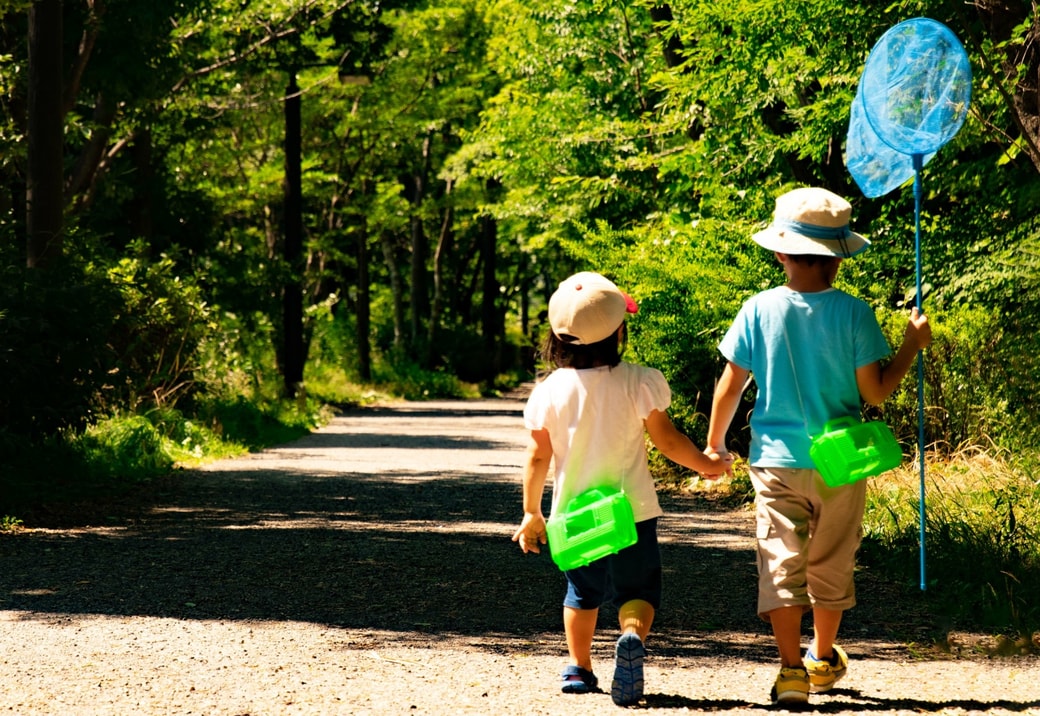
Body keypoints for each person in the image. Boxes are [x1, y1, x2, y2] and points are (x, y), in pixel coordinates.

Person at [706, 187, 932, 705]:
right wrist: (910, 347)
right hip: (841, 463)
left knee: (781, 561)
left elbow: (730, 385)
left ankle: (790, 673)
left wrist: (715, 444)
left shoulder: (758, 309)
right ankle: (823, 657)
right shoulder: (854, 313)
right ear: (838, 257)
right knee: (831, 560)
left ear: (781, 252)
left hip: (775, 462)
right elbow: (874, 392)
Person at [512, 271, 731, 706]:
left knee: (581, 592)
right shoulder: (639, 380)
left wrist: (531, 512)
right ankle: (630, 636)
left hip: (574, 515)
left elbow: (538, 457)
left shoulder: (549, 391)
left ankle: (580, 668)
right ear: (618, 331)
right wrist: (706, 464)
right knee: (638, 591)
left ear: (557, 337)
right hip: (633, 511)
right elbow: (667, 441)